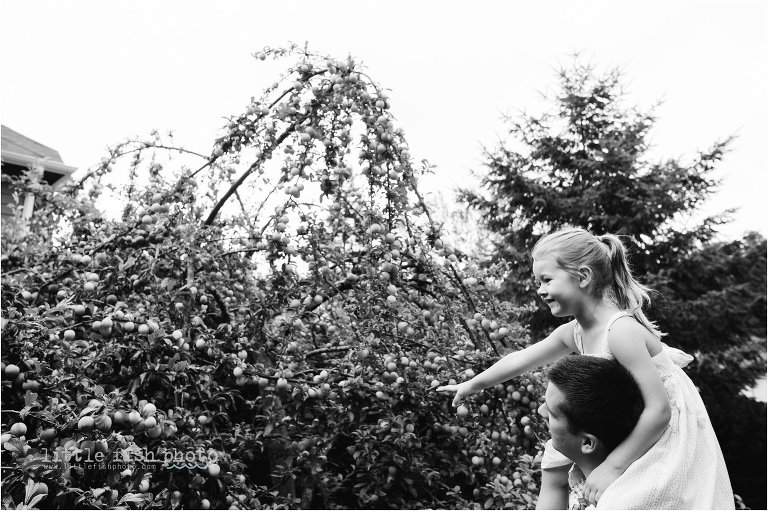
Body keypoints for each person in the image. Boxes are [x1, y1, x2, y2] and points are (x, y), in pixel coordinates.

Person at [436, 227, 734, 508]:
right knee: (554, 465)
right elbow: (522, 358)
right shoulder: (576, 331)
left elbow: (659, 410)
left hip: (662, 428)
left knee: (649, 497)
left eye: (547, 280)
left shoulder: (620, 332)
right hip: (615, 417)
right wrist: (474, 384)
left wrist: (612, 467)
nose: (539, 290)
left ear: (583, 276)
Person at [539, 355, 645, 510]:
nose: (540, 411)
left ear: (587, 443)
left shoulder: (615, 503)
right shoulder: (569, 466)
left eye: (552, 414)